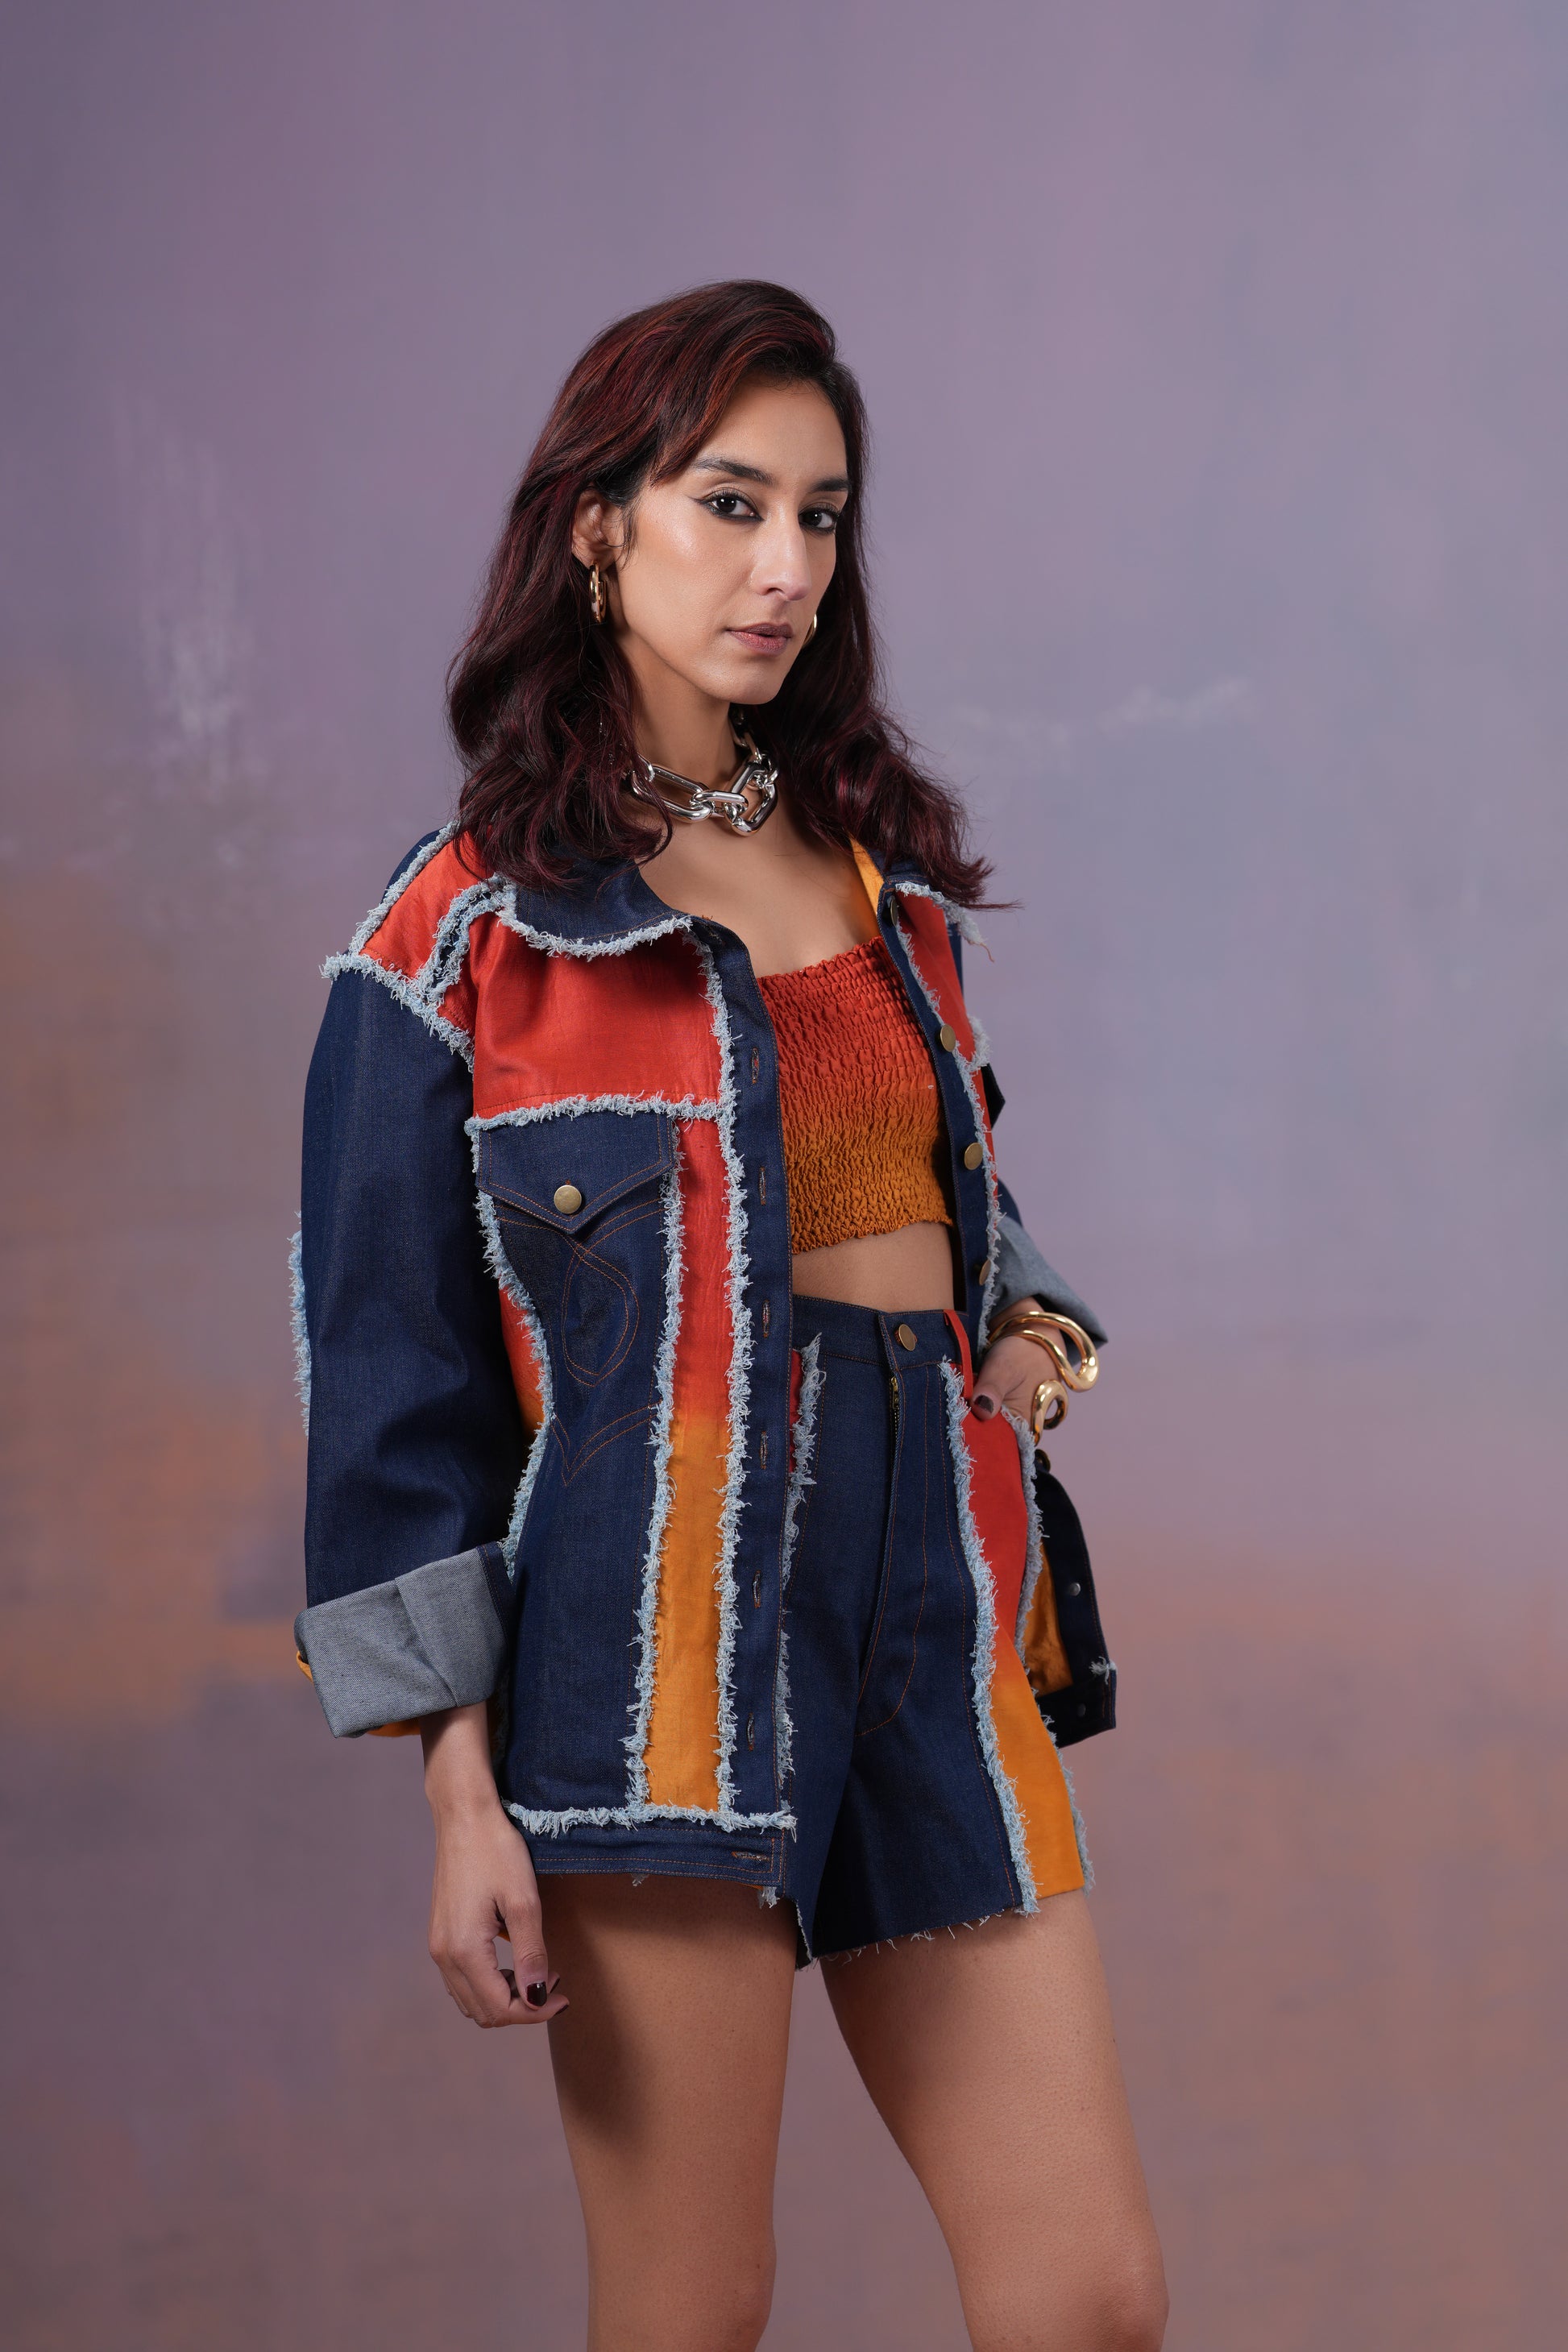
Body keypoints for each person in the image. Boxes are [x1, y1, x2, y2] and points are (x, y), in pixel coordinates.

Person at [293, 280, 1168, 2352]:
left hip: (931, 1613)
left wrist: (1029, 1339)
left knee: (1085, 2298)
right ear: (598, 526)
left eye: (821, 515)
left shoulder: (878, 876)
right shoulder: (458, 937)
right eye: (729, 502)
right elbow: (396, 1397)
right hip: (655, 1650)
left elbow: (943, 1185)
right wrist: (457, 1795)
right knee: (693, 2310)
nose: (785, 565)